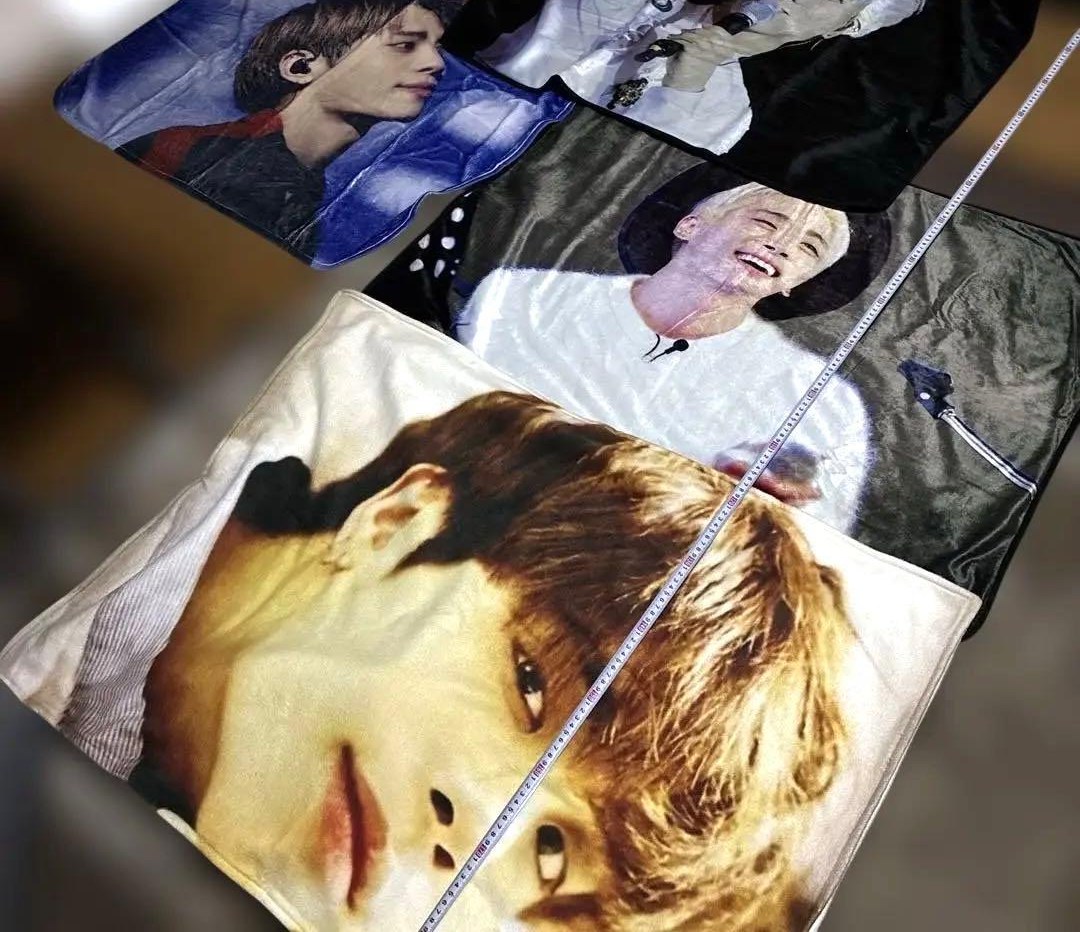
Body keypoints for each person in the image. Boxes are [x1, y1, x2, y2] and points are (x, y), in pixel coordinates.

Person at [124, 391, 851, 929]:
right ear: (397, 525)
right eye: (529, 685)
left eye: (548, 854)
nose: (484, 824)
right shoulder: (152, 474)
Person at [455, 181, 877, 531]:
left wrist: (771, 505)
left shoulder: (820, 398)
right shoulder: (521, 295)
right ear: (690, 225)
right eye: (766, 221)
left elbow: (817, 534)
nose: (781, 245)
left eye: (809, 248)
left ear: (796, 282)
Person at [477, 0, 930, 155]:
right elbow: (504, 80)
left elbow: (611, 172)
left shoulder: (727, 113)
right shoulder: (618, 0)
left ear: (844, 28)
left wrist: (684, 87)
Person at [118, 0, 456, 256]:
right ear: (300, 67)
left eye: (437, 49)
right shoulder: (192, 151)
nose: (436, 64)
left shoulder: (305, 195)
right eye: (404, 45)